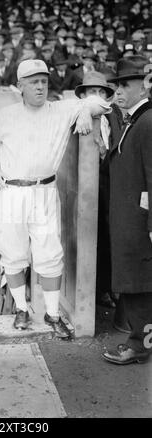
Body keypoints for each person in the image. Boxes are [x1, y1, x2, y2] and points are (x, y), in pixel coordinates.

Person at [0, 59, 111, 338]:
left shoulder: (61, 109)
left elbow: (102, 103)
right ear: (21, 86)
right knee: (13, 254)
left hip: (44, 191)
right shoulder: (6, 115)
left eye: (44, 81)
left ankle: (52, 314)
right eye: (33, 82)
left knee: (50, 254)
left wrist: (85, 109)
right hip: (9, 191)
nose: (40, 87)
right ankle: (22, 309)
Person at [102, 55, 152, 365]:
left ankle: (139, 345)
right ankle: (140, 340)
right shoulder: (131, 118)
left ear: (144, 85)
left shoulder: (147, 121)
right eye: (116, 86)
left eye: (125, 85)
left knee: (142, 285)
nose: (118, 92)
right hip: (127, 220)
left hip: (139, 221)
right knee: (135, 283)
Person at [75, 71, 122, 309]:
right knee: (87, 238)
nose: (96, 97)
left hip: (109, 185)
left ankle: (107, 288)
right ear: (82, 95)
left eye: (101, 92)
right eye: (91, 92)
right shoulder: (75, 116)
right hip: (82, 188)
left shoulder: (115, 116)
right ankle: (88, 294)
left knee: (109, 236)